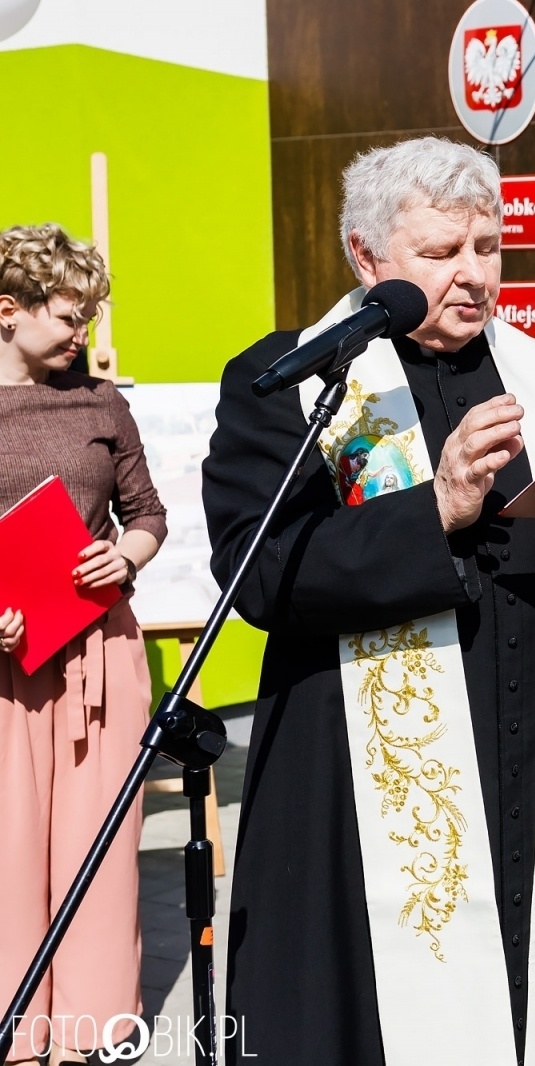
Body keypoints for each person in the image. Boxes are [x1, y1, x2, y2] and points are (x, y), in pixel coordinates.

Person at [202, 137, 535, 1066]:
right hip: (358, 784)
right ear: (364, 257)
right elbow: (258, 574)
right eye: (440, 254)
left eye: (487, 248)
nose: (473, 276)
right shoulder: (291, 386)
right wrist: (438, 510)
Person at [0, 223, 167, 1066]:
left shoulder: (103, 402)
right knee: (7, 855)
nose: (83, 336)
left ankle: (90, 1034)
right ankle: (15, 1034)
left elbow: (149, 516)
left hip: (101, 650)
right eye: (70, 317)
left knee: (100, 861)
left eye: (90, 318)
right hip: (3, 668)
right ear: (8, 311)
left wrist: (123, 556)